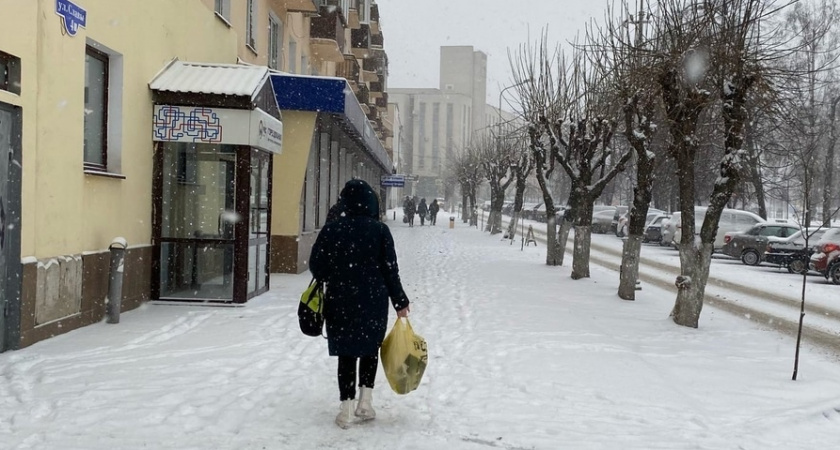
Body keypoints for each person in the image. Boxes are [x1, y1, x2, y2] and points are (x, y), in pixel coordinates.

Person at [309, 179, 411, 429]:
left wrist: (337, 273)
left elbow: (316, 267)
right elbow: (390, 270)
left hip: (340, 300)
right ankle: (365, 403)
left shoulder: (332, 229)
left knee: (346, 354)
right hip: (373, 301)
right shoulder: (380, 231)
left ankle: (345, 409)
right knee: (369, 350)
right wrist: (400, 301)